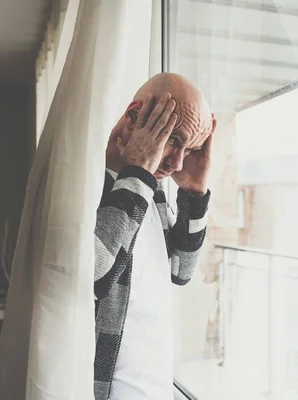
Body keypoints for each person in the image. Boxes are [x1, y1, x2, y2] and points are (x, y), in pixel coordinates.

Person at [93, 73, 216, 400]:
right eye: (173, 139)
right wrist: (139, 173)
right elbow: (97, 274)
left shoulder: (153, 192)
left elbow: (180, 271)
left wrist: (193, 193)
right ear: (134, 115)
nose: (177, 162)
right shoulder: (92, 184)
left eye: (189, 148)